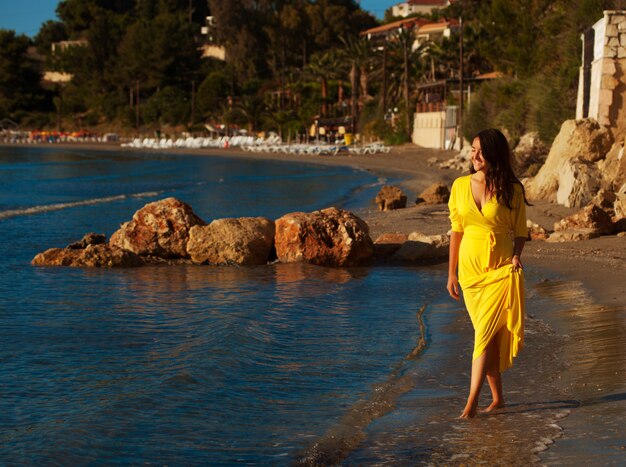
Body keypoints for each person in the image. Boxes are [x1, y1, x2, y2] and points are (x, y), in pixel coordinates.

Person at [447, 128, 530, 419]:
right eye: (472, 150)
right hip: (469, 274)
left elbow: (520, 233)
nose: (475, 156)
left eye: (481, 151)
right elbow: (456, 231)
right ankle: (498, 399)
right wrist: (451, 274)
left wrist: (517, 256)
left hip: (500, 270)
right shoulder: (459, 186)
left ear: (494, 154)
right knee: (489, 338)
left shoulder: (513, 189)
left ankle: (469, 405)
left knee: (482, 336)